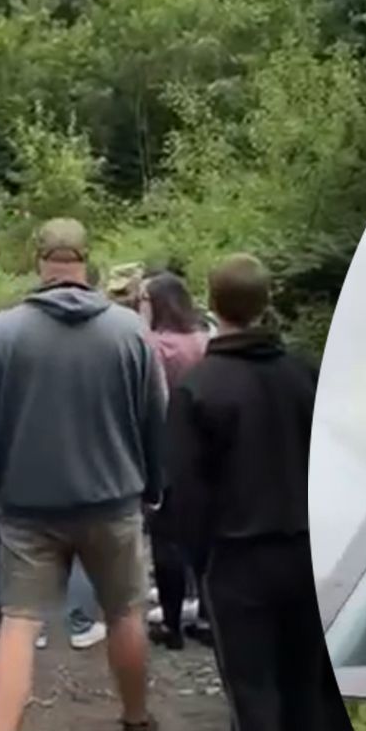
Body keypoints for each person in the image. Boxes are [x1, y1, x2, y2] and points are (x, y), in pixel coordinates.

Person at [0, 218, 167, 731]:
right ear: (85, 261)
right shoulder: (129, 332)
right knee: (124, 612)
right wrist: (154, 488)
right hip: (113, 501)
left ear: (38, 259)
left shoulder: (5, 333)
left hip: (27, 509)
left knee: (17, 625)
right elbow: (156, 421)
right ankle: (137, 723)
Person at [164, 254, 323, 731]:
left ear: (213, 302)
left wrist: (199, 562)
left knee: (252, 692)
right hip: (310, 551)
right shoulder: (304, 375)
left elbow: (186, 495)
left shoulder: (201, 388)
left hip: (240, 559)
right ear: (267, 301)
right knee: (301, 676)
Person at [143, 272, 212, 650]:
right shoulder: (204, 341)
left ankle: (171, 624)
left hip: (167, 448)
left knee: (165, 540)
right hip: (204, 448)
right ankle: (204, 615)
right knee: (203, 539)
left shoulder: (155, 345)